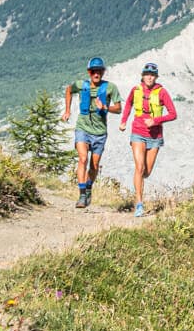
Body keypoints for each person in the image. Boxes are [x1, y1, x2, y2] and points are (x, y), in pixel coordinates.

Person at [61, 57, 121, 208]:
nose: (96, 73)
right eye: (93, 71)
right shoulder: (82, 85)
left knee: (94, 165)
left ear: (103, 72)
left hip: (100, 132)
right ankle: (81, 195)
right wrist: (67, 110)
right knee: (82, 159)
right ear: (89, 72)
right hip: (83, 128)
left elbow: (119, 108)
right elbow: (69, 90)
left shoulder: (110, 88)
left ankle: (88, 188)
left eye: (99, 71)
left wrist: (105, 108)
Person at [121, 61, 177, 217]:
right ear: (143, 76)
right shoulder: (135, 90)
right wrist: (123, 121)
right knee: (139, 167)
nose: (149, 78)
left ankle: (140, 180)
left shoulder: (162, 92)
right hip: (137, 132)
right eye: (147, 74)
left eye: (152, 75)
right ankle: (139, 203)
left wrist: (156, 120)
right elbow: (128, 105)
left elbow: (173, 114)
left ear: (156, 77)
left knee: (147, 171)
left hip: (155, 136)